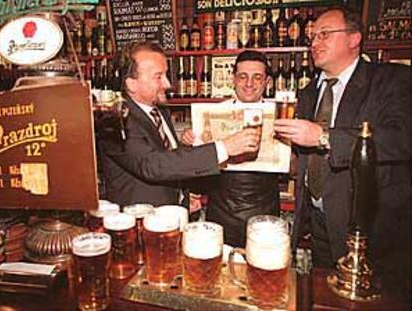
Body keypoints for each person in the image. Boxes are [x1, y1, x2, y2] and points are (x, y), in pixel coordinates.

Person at [274, 6, 411, 298]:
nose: (314, 42)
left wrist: (324, 137)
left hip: (372, 227)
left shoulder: (391, 79)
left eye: (324, 34)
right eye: (312, 36)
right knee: (327, 300)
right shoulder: (309, 92)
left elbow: (401, 139)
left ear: (354, 39)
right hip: (318, 222)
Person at [98, 42, 261, 207]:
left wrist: (184, 196)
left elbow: (170, 161)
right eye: (158, 76)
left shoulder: (160, 112)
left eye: (166, 75)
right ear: (131, 84)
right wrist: (225, 147)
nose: (168, 84)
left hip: (170, 217)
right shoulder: (113, 120)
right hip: (140, 224)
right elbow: (152, 165)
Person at [182, 50, 280, 247]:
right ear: (233, 79)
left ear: (267, 82)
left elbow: (294, 168)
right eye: (243, 76)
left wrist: (289, 147)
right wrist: (188, 142)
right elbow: (195, 169)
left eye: (257, 77)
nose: (249, 84)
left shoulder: (281, 116)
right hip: (221, 208)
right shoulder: (213, 113)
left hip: (264, 210)